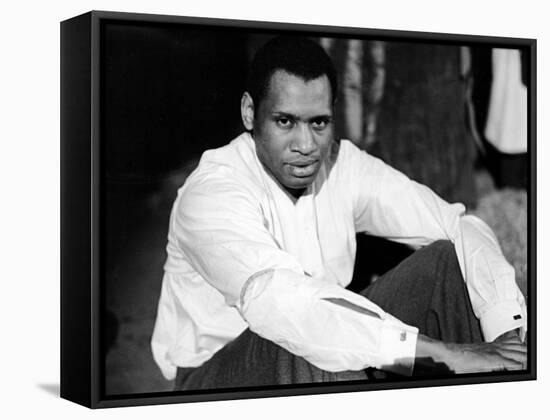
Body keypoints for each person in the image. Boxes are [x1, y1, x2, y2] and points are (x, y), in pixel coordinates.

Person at [151, 36, 527, 390]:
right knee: (312, 337)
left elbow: (456, 224)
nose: (305, 145)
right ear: (250, 113)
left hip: (314, 347)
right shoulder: (213, 191)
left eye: (318, 123)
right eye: (285, 121)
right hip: (219, 377)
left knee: (446, 260)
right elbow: (283, 305)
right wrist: (444, 356)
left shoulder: (342, 165)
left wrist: (504, 331)